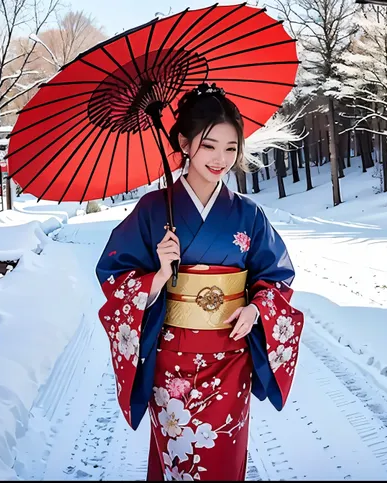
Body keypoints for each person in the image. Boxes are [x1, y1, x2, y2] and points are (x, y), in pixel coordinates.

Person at [95, 83, 303, 481]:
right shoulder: (153, 210)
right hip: (172, 362)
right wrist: (156, 276)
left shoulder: (248, 215)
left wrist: (258, 307)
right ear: (184, 143)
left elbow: (276, 276)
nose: (220, 158)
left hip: (230, 359)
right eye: (209, 145)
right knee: (177, 460)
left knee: (222, 459)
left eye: (230, 148)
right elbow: (114, 274)